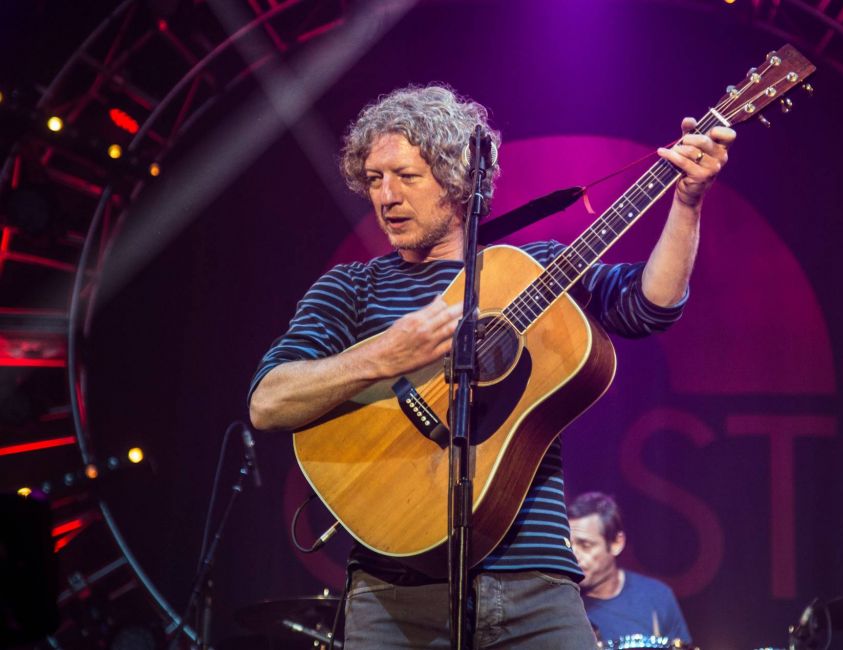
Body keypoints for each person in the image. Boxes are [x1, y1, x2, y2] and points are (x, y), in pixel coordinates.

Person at [248, 84, 734, 648]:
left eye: (406, 177)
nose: (386, 196)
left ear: (457, 181)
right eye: (375, 179)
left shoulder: (535, 269)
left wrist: (687, 203)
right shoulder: (353, 288)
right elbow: (268, 401)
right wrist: (382, 354)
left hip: (537, 585)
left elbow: (649, 306)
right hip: (394, 588)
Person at [569, 492, 692, 646]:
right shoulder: (562, 601)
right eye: (568, 545)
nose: (573, 555)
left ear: (616, 543)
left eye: (585, 545)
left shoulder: (657, 596)